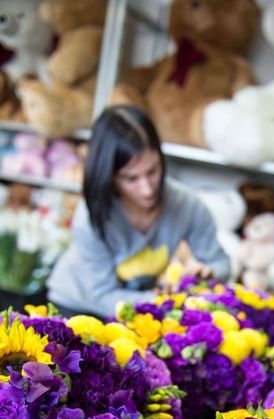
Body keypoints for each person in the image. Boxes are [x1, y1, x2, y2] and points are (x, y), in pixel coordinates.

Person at [47, 105, 230, 318]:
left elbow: (221, 263)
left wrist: (209, 273)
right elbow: (103, 296)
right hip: (77, 306)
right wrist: (166, 302)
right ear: (109, 176)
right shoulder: (90, 218)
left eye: (152, 171)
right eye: (130, 178)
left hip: (136, 306)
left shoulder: (187, 206)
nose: (147, 189)